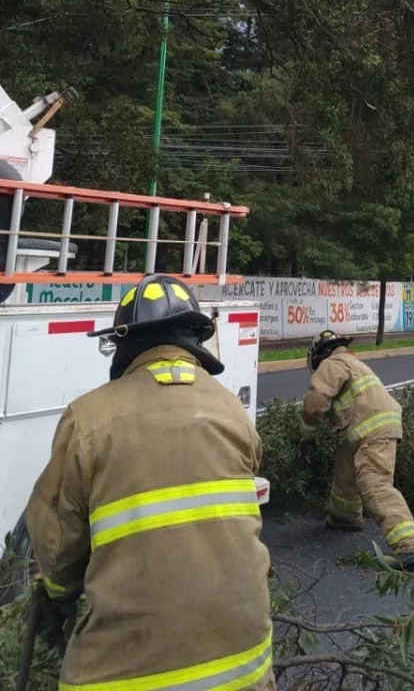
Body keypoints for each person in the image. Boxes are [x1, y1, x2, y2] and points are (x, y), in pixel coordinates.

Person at [25, 274, 274, 691]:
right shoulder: (233, 411)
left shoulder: (87, 419)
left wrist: (57, 594)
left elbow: (58, 547)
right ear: (194, 340)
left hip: (122, 675)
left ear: (124, 343)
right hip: (245, 664)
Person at [300, 330, 414, 570]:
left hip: (371, 428)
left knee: (374, 483)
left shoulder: (332, 363)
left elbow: (316, 402)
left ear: (319, 355)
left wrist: (307, 436)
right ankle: (344, 517)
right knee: (346, 471)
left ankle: (409, 545)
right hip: (363, 427)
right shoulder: (353, 363)